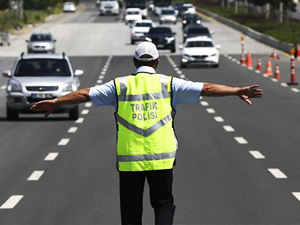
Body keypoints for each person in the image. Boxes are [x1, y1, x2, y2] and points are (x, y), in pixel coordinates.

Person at [31, 42, 263, 225]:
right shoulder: (170, 84)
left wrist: (57, 101)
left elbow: (85, 94)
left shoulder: (119, 86)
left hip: (130, 160)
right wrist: (236, 90)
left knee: (131, 212)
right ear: (158, 62)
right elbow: (206, 88)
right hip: (162, 157)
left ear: (134, 61)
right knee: (163, 205)